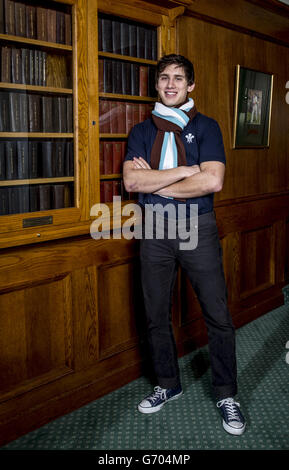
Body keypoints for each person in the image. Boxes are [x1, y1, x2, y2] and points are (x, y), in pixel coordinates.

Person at [123, 54, 246, 436]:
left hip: (199, 229)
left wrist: (157, 182)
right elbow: (132, 184)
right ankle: (167, 384)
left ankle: (227, 394)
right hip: (154, 232)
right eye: (164, 79)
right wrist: (183, 172)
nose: (171, 85)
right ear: (157, 85)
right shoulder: (141, 132)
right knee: (156, 314)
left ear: (191, 85)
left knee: (217, 315)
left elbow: (212, 183)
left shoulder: (207, 128)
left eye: (179, 78)